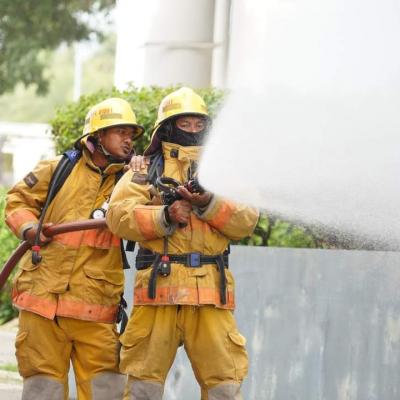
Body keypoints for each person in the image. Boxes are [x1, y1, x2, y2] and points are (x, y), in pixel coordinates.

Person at [106, 87, 259, 400]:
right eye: (184, 124)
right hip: (157, 294)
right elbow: (118, 216)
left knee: (224, 387)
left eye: (198, 124)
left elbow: (246, 220)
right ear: (167, 128)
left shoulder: (224, 171)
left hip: (210, 297)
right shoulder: (145, 169)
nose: (191, 130)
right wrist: (165, 215)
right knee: (143, 388)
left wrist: (208, 204)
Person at [5, 97, 144, 400]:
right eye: (120, 131)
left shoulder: (131, 182)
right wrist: (29, 228)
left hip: (95, 310)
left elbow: (149, 214)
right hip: (42, 306)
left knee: (105, 392)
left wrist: (141, 175)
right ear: (98, 135)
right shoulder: (58, 169)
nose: (128, 139)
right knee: (43, 391)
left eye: (131, 134)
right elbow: (17, 201)